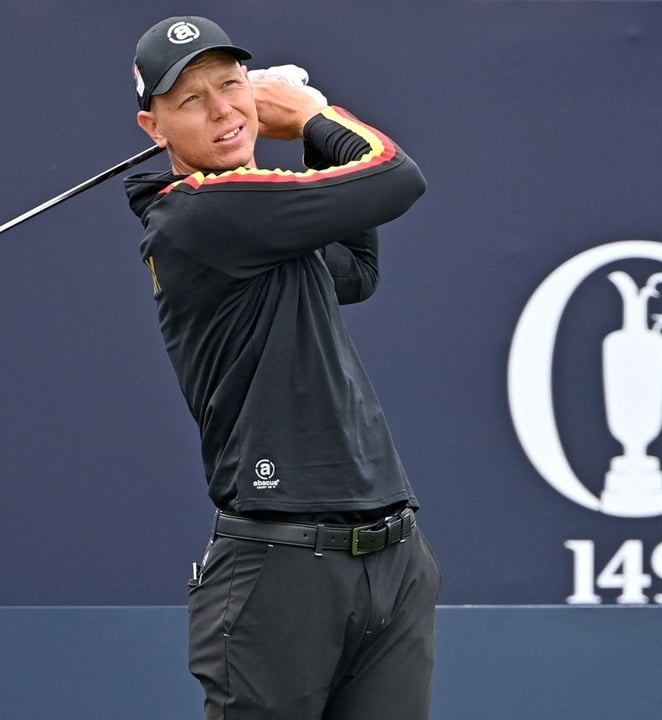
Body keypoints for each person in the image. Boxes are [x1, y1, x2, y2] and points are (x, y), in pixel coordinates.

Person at [124, 16, 440, 720]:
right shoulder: (197, 215)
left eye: (231, 84)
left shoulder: (255, 213)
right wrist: (316, 118)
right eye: (191, 100)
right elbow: (395, 178)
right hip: (282, 568)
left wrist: (307, 144)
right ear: (155, 127)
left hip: (390, 558)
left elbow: (353, 270)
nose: (222, 110)